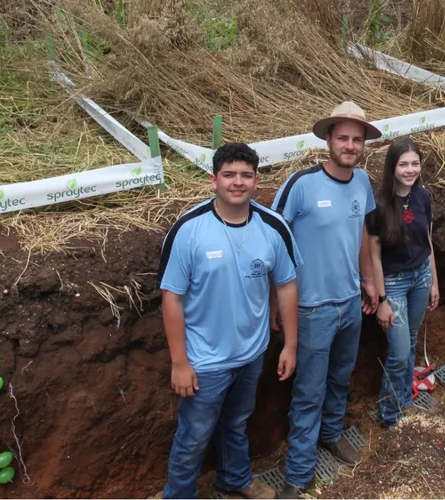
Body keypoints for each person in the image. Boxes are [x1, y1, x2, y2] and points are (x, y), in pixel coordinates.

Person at [158, 142, 302, 499]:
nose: (237, 182)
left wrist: (291, 346)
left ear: (256, 181)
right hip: (204, 361)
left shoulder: (273, 227)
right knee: (194, 436)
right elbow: (171, 298)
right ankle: (179, 494)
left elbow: (286, 286)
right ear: (214, 180)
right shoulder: (189, 230)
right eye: (229, 175)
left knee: (236, 424)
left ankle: (235, 480)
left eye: (246, 175)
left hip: (252, 353)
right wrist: (179, 362)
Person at [272, 101, 381, 498]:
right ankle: (299, 475)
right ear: (328, 140)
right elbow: (274, 245)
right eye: (343, 137)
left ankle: (331, 434)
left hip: (350, 302)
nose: (350, 145)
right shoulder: (301, 185)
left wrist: (368, 282)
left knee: (340, 378)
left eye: (357, 139)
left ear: (363, 144)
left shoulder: (363, 183)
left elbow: (362, 240)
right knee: (308, 392)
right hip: (312, 309)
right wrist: (276, 303)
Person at [365, 137, 440, 429]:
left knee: (409, 341)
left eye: (415, 163)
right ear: (392, 167)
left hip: (421, 275)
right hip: (394, 284)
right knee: (397, 352)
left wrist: (433, 281)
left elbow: (428, 242)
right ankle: (390, 413)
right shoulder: (379, 205)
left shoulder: (423, 197)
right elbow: (374, 256)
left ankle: (405, 400)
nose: (410, 170)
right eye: (403, 164)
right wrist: (382, 300)